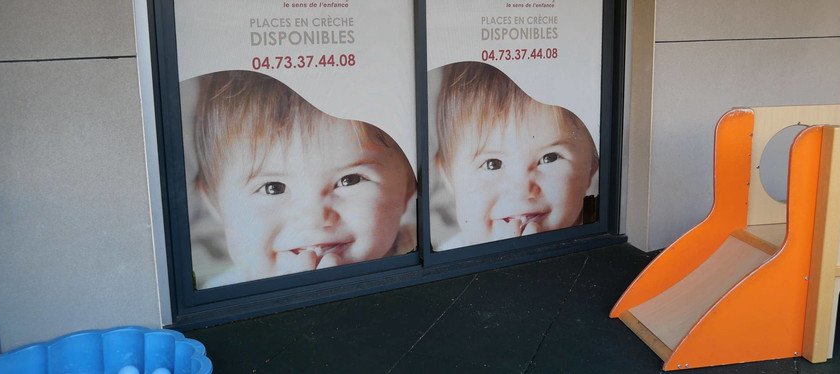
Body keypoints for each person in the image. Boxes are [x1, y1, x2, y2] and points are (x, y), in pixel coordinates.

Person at [192, 71, 416, 288]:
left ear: (410, 185)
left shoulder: (427, 251)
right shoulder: (226, 299)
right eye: (273, 188)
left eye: (349, 180)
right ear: (214, 203)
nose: (315, 218)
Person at [434, 62, 598, 250]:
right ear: (448, 176)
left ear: (592, 164)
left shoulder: (597, 245)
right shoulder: (448, 259)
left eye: (549, 158)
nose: (522, 189)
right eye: (492, 164)